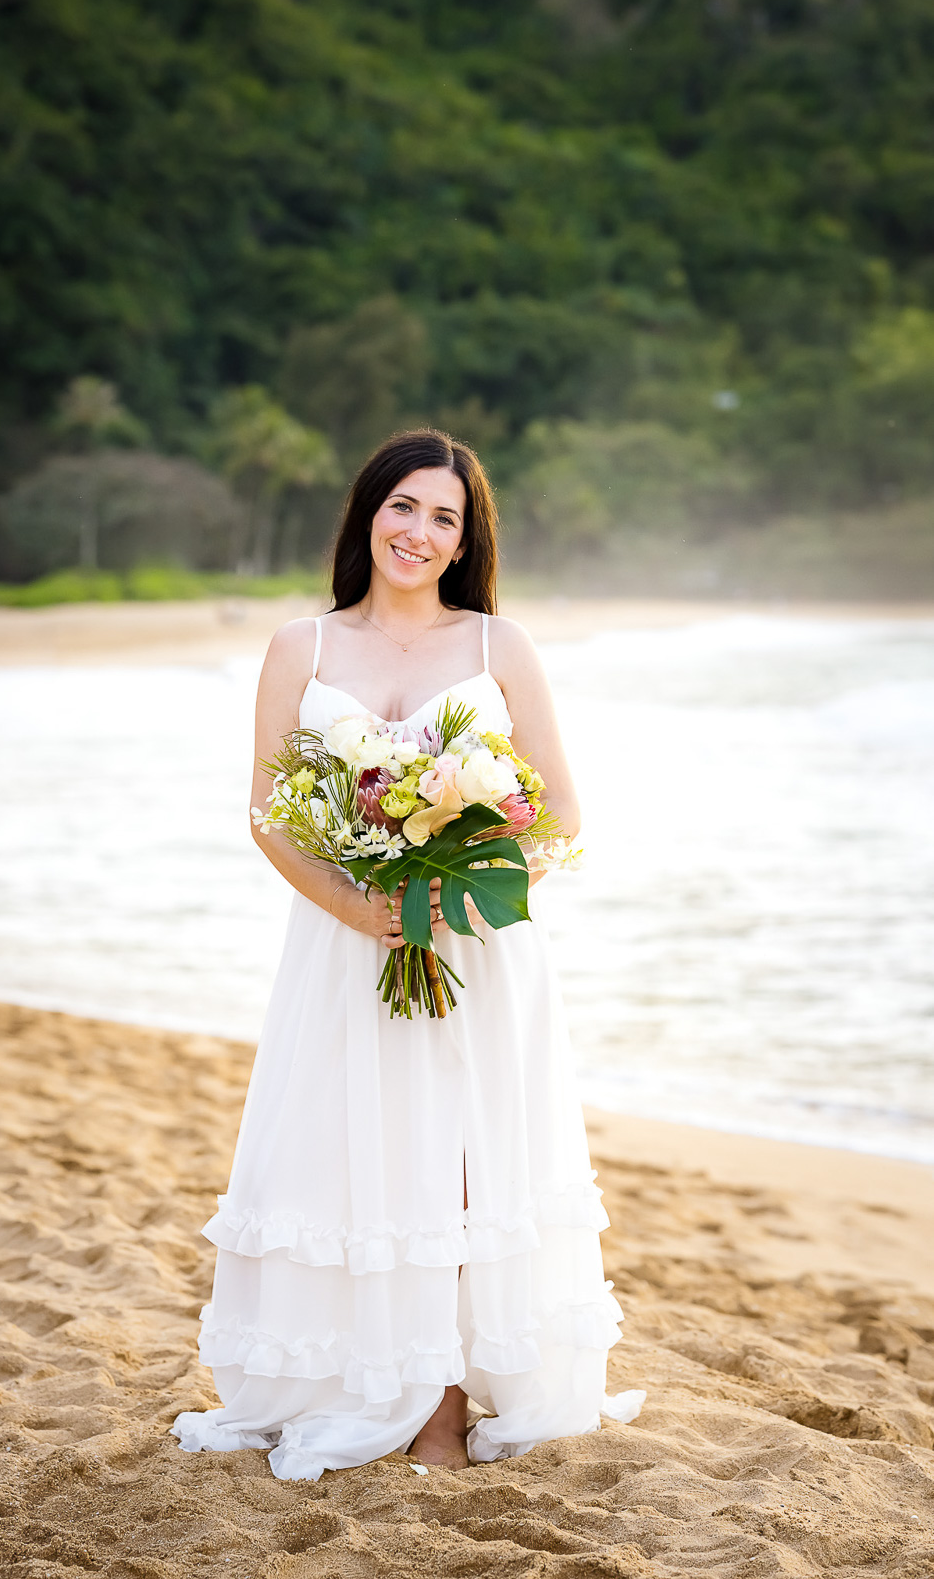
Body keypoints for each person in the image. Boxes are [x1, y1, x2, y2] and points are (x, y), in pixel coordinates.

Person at [172, 429, 644, 1480]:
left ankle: (444, 1405)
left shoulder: (495, 647)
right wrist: (359, 908)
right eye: (402, 507)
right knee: (359, 1157)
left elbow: (558, 813)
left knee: (468, 1164)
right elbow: (268, 814)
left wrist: (455, 883)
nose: (419, 534)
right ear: (366, 513)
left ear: (466, 540)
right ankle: (380, 1384)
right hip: (346, 951)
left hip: (477, 948)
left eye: (445, 518)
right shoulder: (302, 646)